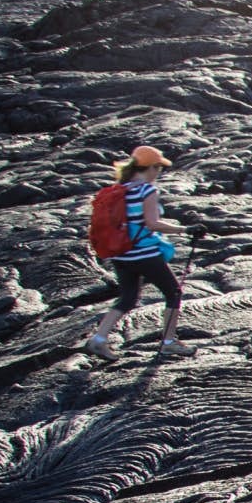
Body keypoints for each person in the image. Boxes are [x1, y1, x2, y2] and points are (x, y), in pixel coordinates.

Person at [86, 146, 187, 359]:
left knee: (128, 297)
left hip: (120, 253)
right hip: (143, 253)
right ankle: (169, 342)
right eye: (158, 168)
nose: (158, 172)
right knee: (173, 292)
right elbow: (152, 223)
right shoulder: (146, 190)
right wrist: (184, 230)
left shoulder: (122, 188)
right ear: (150, 168)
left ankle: (99, 339)